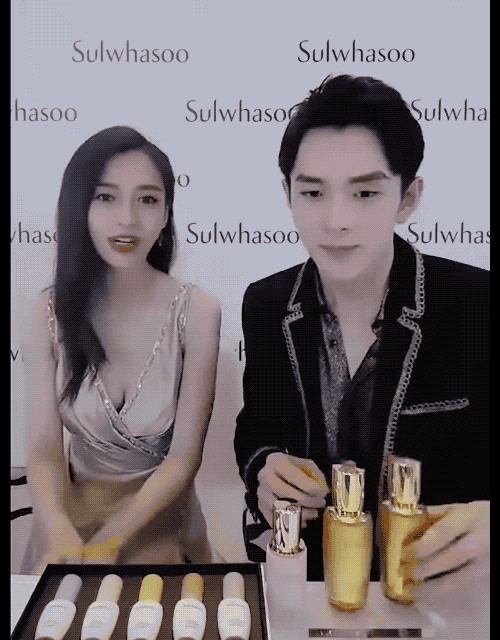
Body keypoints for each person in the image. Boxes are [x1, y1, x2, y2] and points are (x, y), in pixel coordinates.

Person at [234, 75, 489, 582]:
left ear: (408, 197)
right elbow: (258, 426)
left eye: (365, 192)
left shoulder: (477, 302)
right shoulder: (267, 303)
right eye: (313, 192)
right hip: (310, 587)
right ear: (287, 193)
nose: (336, 220)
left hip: (441, 589)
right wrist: (263, 468)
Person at [22, 126, 221, 574]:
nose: (127, 219)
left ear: (167, 213)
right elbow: (43, 448)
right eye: (106, 197)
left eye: (147, 199)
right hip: (67, 525)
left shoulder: (198, 312)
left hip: (159, 521)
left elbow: (183, 459)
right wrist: (56, 526)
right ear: (80, 208)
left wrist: (113, 539)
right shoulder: (49, 311)